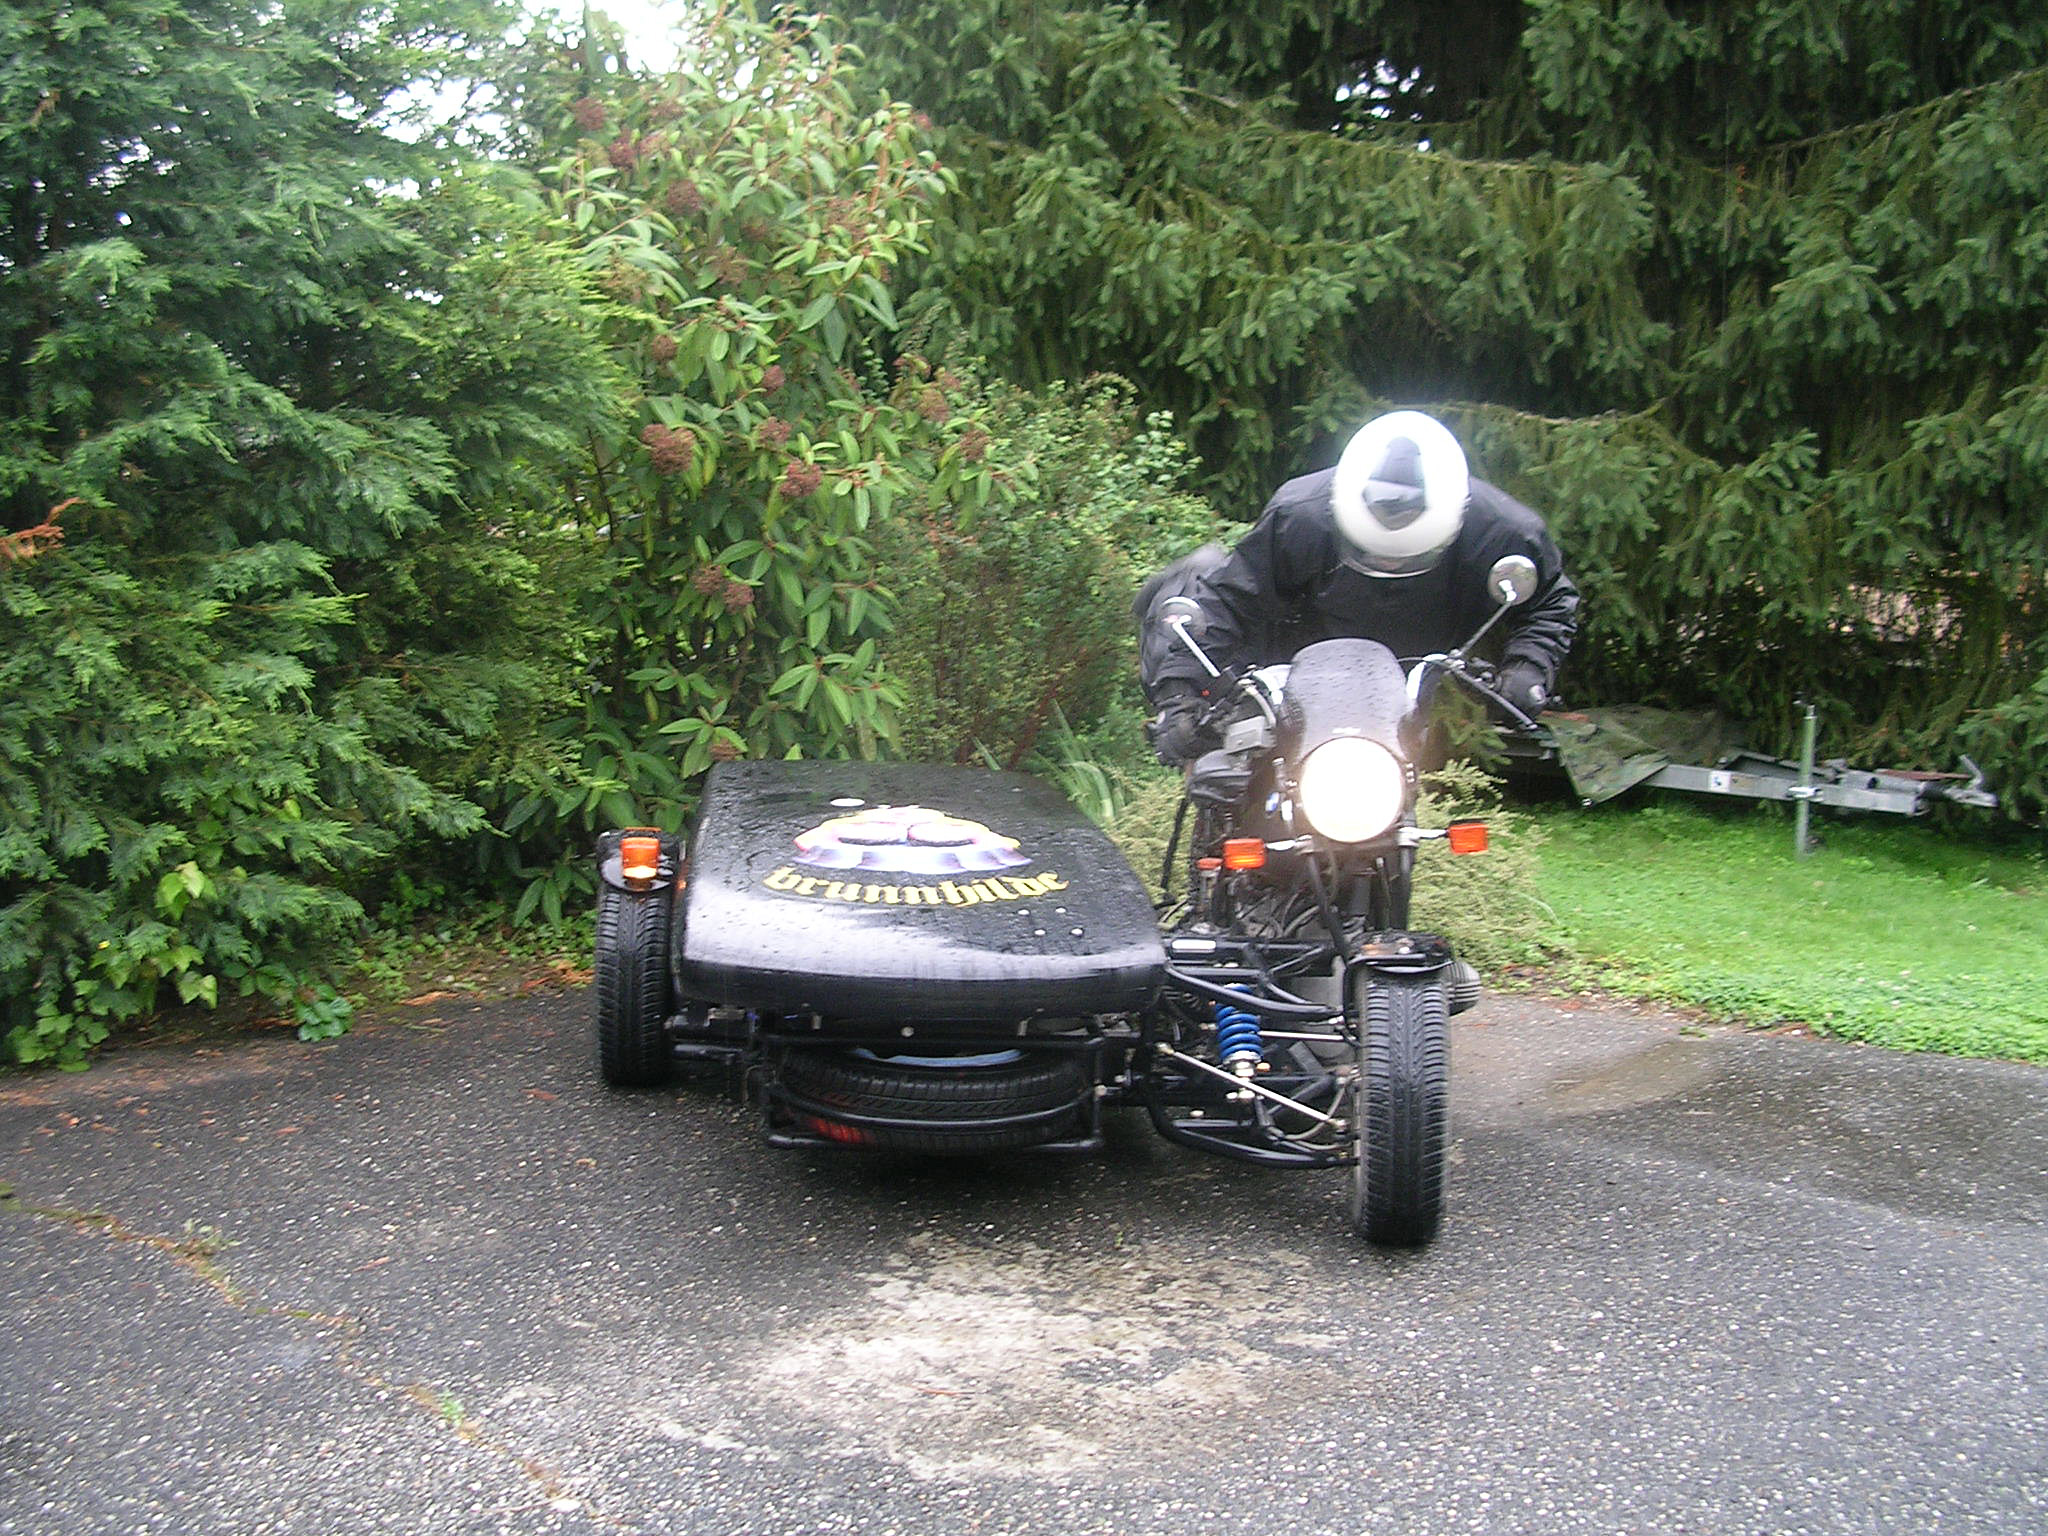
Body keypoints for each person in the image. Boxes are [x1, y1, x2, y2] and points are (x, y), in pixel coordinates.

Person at [1143, 410, 1578, 766]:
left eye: (1408, 559)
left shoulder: (1502, 533)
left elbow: (1550, 600)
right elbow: (1230, 598)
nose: (1388, 565)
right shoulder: (1300, 516)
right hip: (1288, 674)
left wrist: (1527, 669)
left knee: (1393, 806)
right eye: (1369, 553)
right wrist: (1179, 693)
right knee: (1231, 782)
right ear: (1340, 512)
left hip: (1398, 691)